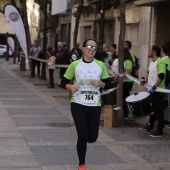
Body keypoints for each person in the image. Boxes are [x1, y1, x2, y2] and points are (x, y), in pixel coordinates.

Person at [60, 39, 112, 170]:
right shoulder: (75, 65)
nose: (91, 49)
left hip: (94, 104)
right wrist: (70, 87)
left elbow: (109, 84)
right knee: (82, 134)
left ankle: (88, 140)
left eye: (94, 47)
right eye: (89, 46)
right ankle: (81, 164)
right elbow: (63, 82)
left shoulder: (100, 65)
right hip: (78, 103)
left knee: (92, 137)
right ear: (83, 48)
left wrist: (101, 84)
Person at [139, 46, 166, 137]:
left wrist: (154, 87)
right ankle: (150, 126)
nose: (149, 52)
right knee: (152, 109)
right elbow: (148, 73)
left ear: (154, 52)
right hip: (152, 90)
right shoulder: (151, 62)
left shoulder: (160, 62)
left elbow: (161, 76)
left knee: (159, 110)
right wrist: (144, 81)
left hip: (158, 90)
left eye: (150, 50)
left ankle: (160, 130)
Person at [113, 47, 133, 118]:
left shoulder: (128, 61)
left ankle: (126, 113)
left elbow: (127, 71)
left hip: (127, 82)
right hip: (121, 81)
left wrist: (118, 75)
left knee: (125, 97)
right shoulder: (122, 61)